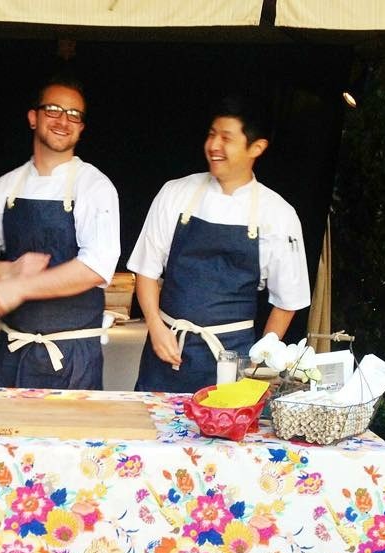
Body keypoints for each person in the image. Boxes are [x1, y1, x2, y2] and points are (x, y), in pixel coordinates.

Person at [127, 95, 310, 393]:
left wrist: (260, 363)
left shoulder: (278, 214)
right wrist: (156, 327)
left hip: (232, 362)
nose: (213, 145)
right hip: (165, 352)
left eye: (226, 138)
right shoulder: (175, 193)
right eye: (212, 134)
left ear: (256, 147)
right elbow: (146, 271)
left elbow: (287, 302)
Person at [0, 75, 120, 389]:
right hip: (11, 352)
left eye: (74, 115)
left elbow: (96, 267)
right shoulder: (5, 186)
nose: (63, 121)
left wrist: (21, 287)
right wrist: (7, 270)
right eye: (53, 110)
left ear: (81, 127)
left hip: (73, 359)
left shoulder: (94, 186)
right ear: (33, 118)